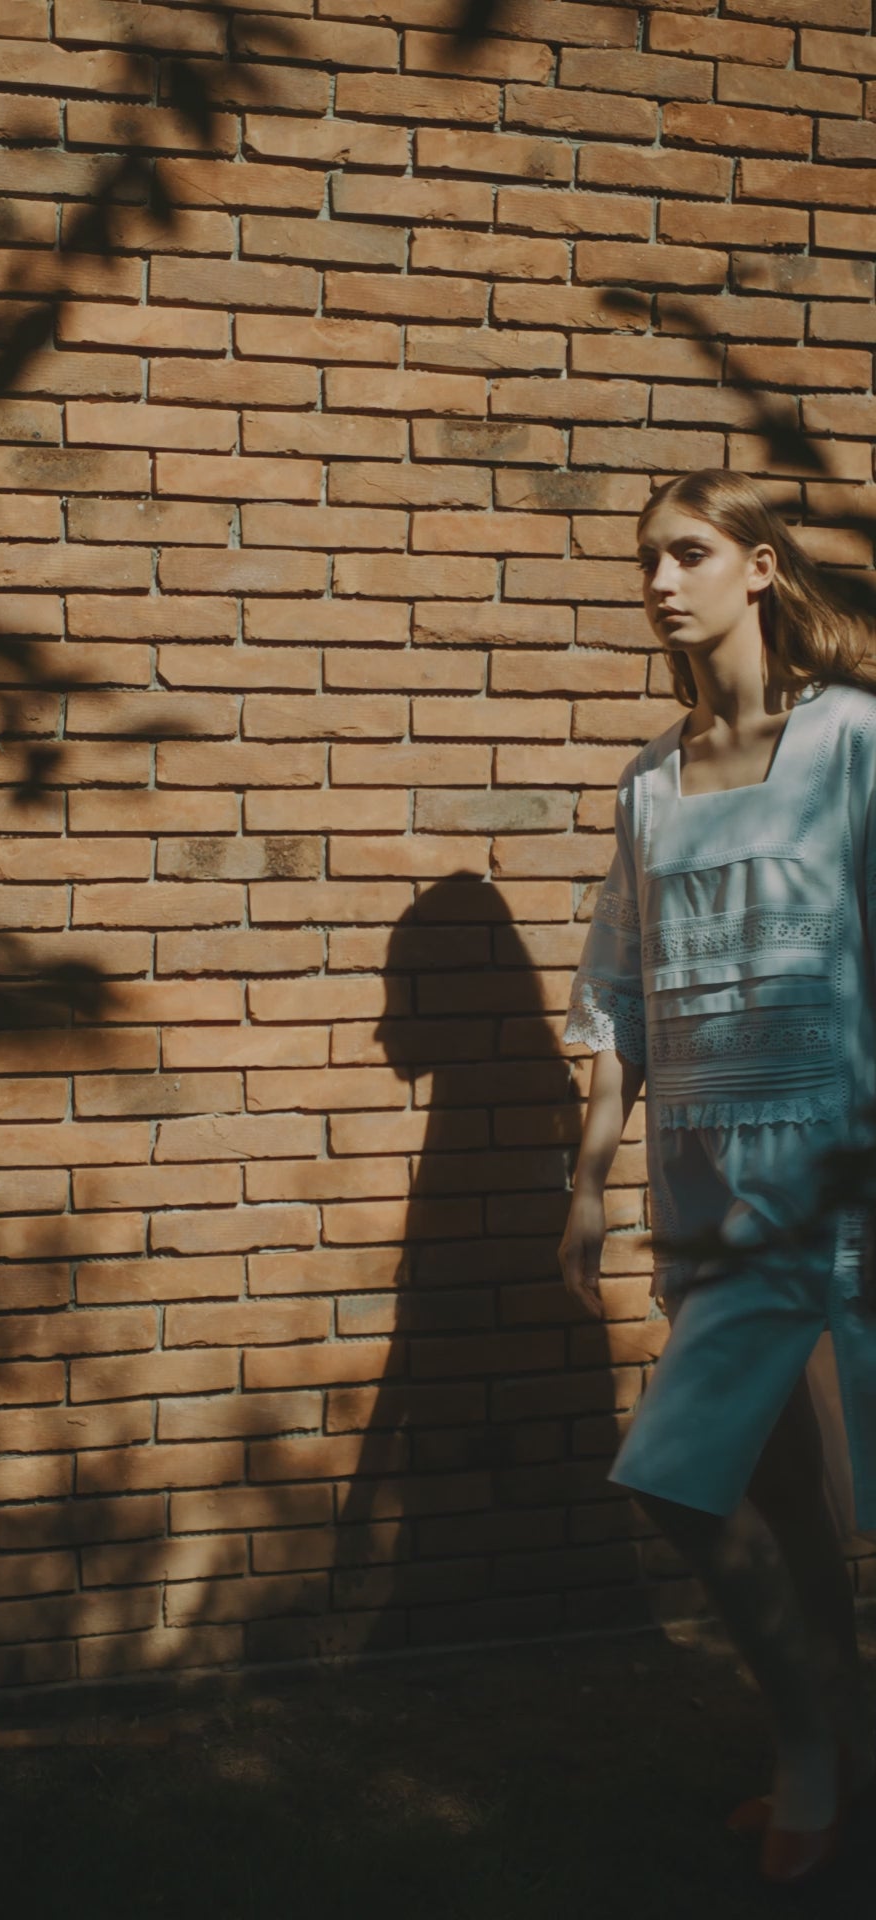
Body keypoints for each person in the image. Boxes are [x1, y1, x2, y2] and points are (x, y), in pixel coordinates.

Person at [557, 469, 876, 1887]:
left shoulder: (854, 740)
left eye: (688, 553)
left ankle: (808, 1747)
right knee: (782, 1486)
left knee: (678, 1480)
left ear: (761, 567)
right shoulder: (650, 780)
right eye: (647, 560)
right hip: (697, 1180)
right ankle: (841, 1746)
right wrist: (589, 1180)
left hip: (826, 1172)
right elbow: (620, 990)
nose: (659, 582)